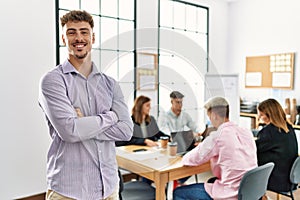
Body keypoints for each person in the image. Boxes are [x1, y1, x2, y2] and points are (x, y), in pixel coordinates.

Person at [38, 10, 133, 200]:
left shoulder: (110, 84)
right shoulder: (52, 81)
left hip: (109, 188)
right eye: (71, 32)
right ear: (64, 38)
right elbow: (70, 131)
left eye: (84, 31)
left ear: (93, 37)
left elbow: (126, 131)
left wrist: (84, 123)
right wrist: (111, 117)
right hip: (69, 191)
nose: (78, 37)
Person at [173, 96, 257, 200]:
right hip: (248, 192)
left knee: (178, 192)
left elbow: (190, 159)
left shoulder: (218, 136)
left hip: (229, 194)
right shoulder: (246, 131)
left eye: (209, 116)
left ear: (214, 115)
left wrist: (196, 150)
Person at [256, 98, 298, 194]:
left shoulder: (269, 132)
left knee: (247, 169)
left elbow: (254, 149)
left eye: (261, 115)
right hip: (289, 180)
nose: (259, 117)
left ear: (269, 115)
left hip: (278, 181)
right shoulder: (289, 127)